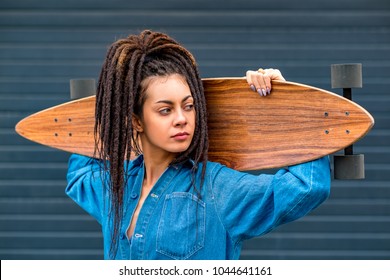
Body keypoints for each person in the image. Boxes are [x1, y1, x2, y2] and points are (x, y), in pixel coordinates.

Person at [66, 30, 331, 260]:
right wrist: (100, 108)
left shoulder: (215, 189)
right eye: (165, 110)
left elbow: (305, 187)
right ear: (136, 120)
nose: (182, 119)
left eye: (189, 106)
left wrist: (291, 104)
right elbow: (79, 176)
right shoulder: (115, 188)